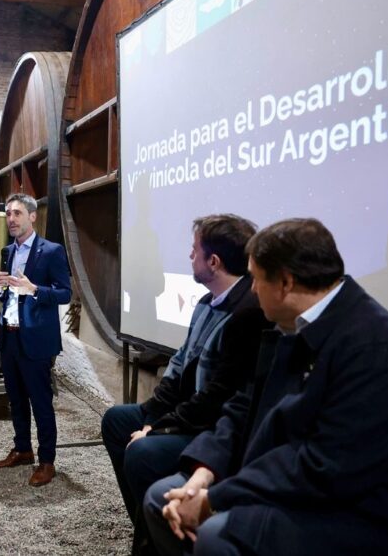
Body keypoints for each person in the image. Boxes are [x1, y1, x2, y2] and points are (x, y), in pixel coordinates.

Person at [145, 218, 388, 556]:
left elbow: (327, 467)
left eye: (256, 278)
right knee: (161, 499)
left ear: (285, 282)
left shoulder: (374, 346)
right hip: (292, 480)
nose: (252, 290)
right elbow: (243, 406)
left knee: (217, 535)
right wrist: (205, 472)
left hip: (365, 512)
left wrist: (214, 501)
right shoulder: (294, 326)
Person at [101, 215, 269, 553]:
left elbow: (216, 399)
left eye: (194, 251)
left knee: (141, 452)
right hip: (186, 413)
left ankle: (157, 536)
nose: (189, 257)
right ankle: (149, 523)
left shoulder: (247, 314)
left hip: (209, 425)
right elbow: (179, 366)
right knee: (117, 420)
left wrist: (156, 430)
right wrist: (150, 415)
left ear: (214, 262)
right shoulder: (207, 303)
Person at [0, 193, 71, 487]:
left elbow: (65, 293)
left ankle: (47, 461)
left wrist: (34, 289)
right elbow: (5, 295)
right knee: (16, 400)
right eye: (9, 213)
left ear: (32, 217)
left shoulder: (51, 252)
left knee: (41, 403)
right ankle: (23, 449)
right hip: (9, 337)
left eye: (17, 214)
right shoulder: (6, 252)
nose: (11, 219)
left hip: (36, 340)